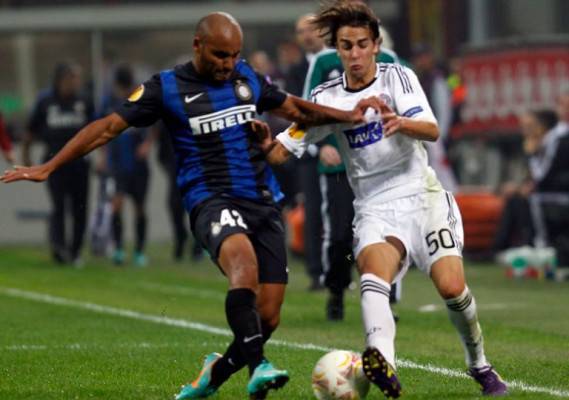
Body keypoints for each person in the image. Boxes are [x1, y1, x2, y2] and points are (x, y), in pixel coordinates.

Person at [1, 12, 379, 399]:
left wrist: (348, 116)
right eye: (219, 55)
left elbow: (296, 109)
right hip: (209, 198)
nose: (227, 64)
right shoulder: (165, 87)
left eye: (234, 55)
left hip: (261, 199)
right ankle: (259, 366)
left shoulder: (245, 77)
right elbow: (108, 127)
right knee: (243, 267)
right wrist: (50, 165)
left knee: (268, 316)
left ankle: (214, 374)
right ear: (197, 46)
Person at [264, 2, 507, 397]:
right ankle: (384, 365)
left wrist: (400, 121)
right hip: (374, 206)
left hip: (422, 196)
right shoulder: (326, 98)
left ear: (376, 45)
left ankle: (479, 362)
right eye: (346, 46)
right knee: (372, 274)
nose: (355, 54)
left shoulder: (398, 77)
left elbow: (431, 129)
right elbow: (280, 152)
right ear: (337, 50)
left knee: (452, 288)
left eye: (362, 44)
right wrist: (259, 142)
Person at [302, 6, 403, 320]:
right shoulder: (323, 63)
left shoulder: (391, 62)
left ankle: (385, 299)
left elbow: (406, 111)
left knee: (388, 235)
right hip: (339, 167)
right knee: (341, 235)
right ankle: (336, 290)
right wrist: (322, 147)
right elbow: (308, 112)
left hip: (382, 169)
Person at [22, 61, 95, 266]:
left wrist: (102, 156)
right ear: (61, 80)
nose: (75, 83)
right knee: (58, 205)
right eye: (72, 78)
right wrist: (26, 157)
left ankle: (75, 250)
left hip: (80, 163)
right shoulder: (46, 102)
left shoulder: (84, 101)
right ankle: (59, 248)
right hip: (54, 162)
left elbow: (97, 128)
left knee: (80, 207)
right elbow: (30, 130)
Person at [100, 64, 152, 267]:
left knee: (139, 208)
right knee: (117, 204)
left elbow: (156, 124)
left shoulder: (141, 99)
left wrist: (147, 144)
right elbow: (100, 129)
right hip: (118, 164)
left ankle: (139, 251)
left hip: (139, 166)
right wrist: (103, 156)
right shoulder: (109, 103)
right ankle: (119, 249)